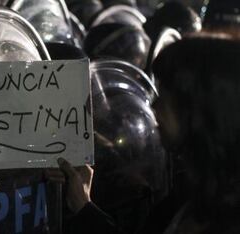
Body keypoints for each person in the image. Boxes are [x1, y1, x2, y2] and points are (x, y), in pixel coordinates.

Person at [49, 36, 240, 233]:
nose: (154, 106)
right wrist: (84, 204)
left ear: (198, 108)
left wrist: (84, 209)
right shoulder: (194, 191)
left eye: (166, 96)